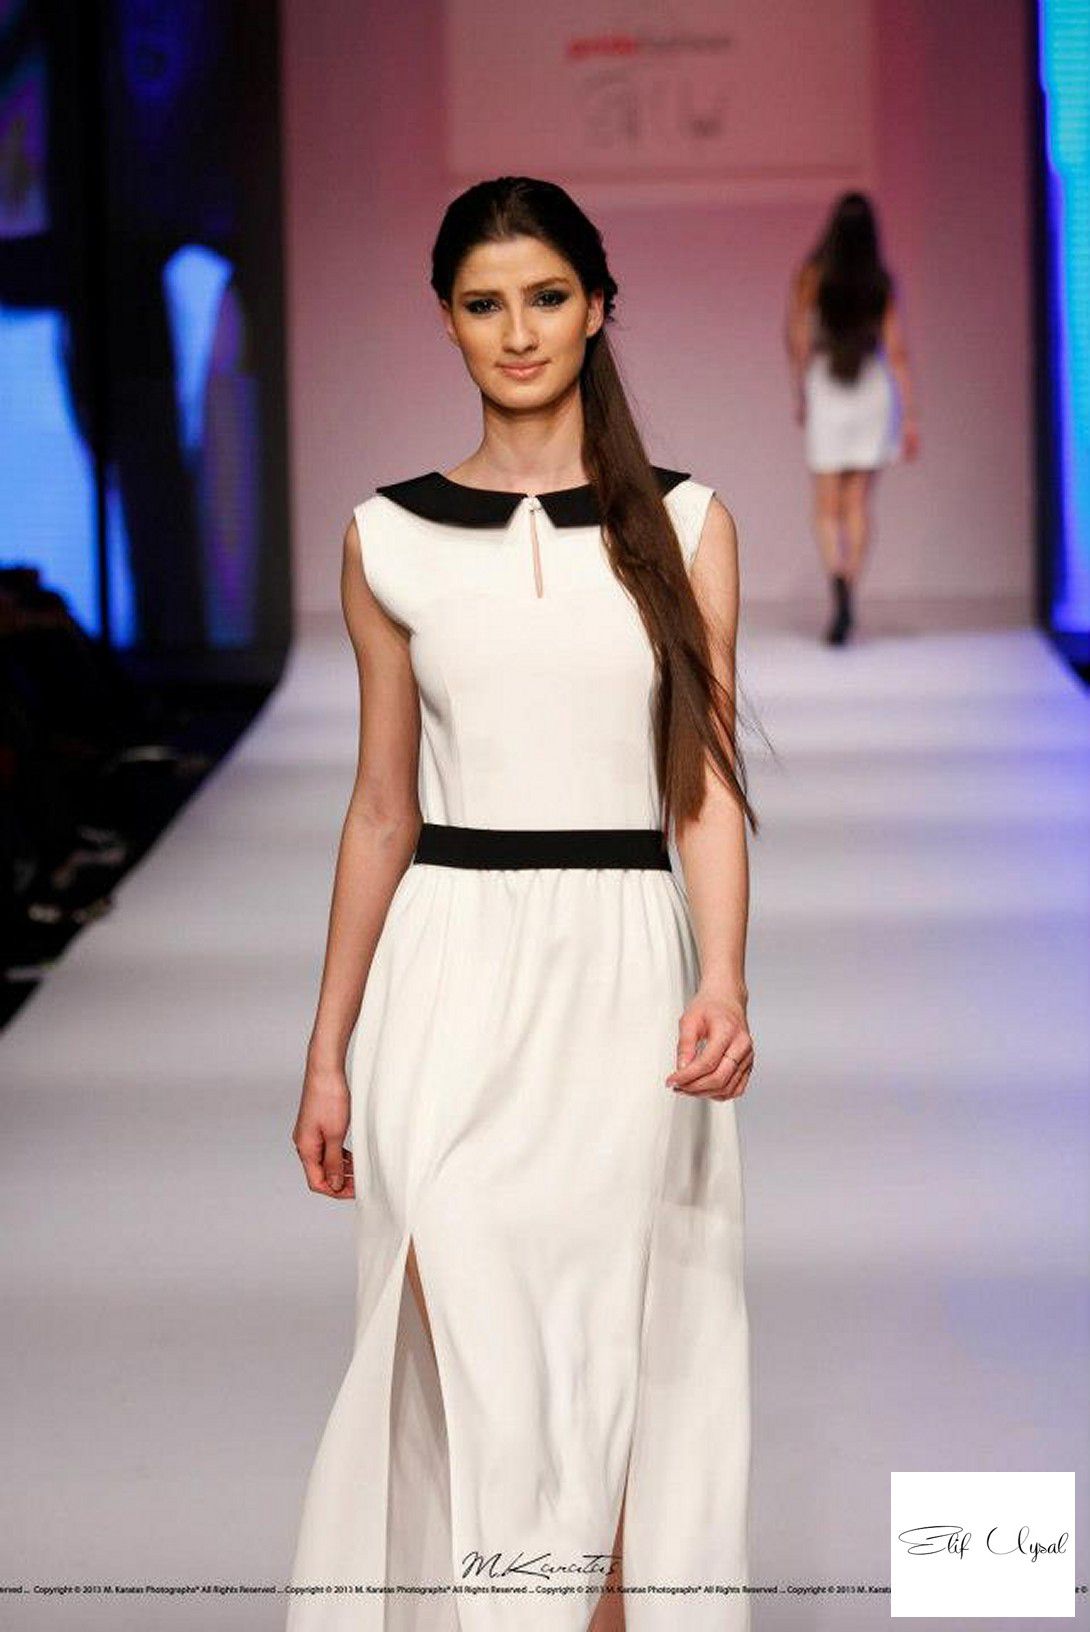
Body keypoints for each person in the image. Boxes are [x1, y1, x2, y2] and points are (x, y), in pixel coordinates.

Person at [286, 175, 758, 1632]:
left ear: (597, 305)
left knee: (606, 1360)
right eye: (483, 303)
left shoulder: (684, 524)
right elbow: (381, 805)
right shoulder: (386, 535)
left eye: (546, 296)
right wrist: (327, 1048)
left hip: (620, 975)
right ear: (444, 320)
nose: (518, 330)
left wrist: (723, 978)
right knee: (478, 1350)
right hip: (447, 970)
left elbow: (702, 785)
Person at [785, 191, 920, 645]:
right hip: (871, 388)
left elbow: (799, 338)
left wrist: (801, 390)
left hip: (827, 385)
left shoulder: (812, 275)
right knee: (858, 503)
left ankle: (837, 583)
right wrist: (910, 417)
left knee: (827, 505)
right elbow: (896, 351)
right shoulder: (879, 280)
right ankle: (848, 589)